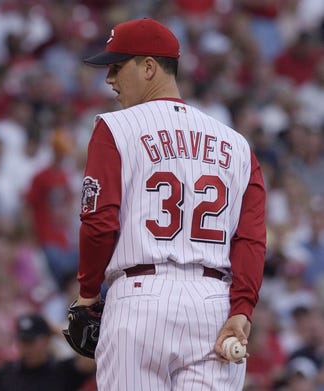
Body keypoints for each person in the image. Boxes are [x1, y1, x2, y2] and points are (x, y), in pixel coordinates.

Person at [73, 18, 267, 390]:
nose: (109, 79)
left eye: (116, 67)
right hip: (214, 306)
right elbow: (251, 240)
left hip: (140, 300)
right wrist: (242, 310)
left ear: (148, 67)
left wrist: (87, 294)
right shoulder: (237, 144)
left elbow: (99, 222)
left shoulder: (116, 127)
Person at [0, 313, 95, 391]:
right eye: (22, 340)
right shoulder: (4, 374)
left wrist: (59, 332)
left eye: (31, 341)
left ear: (47, 340)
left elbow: (90, 358)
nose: (26, 346)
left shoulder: (63, 371)